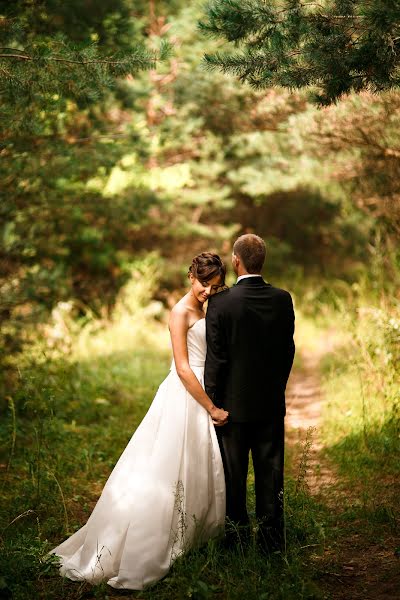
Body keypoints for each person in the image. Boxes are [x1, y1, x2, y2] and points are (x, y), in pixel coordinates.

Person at [51, 252, 229, 591]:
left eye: (215, 286)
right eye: (204, 284)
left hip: (204, 391)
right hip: (186, 395)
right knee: (165, 468)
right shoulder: (179, 313)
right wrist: (211, 407)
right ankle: (146, 546)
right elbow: (182, 367)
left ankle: (194, 537)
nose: (208, 291)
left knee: (196, 466)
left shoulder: (210, 307)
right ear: (191, 277)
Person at [205, 234, 295, 552]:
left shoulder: (220, 302)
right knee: (271, 475)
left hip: (231, 409)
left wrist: (211, 402)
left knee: (234, 478)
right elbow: (288, 351)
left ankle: (238, 543)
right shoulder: (283, 299)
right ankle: (271, 545)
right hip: (270, 404)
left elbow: (216, 359)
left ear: (237, 261)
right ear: (262, 262)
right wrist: (275, 388)